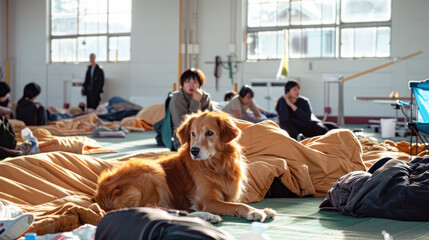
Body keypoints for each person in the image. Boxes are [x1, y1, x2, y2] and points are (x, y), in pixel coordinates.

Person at [169, 68, 214, 150]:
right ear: (182, 84)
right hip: (183, 139)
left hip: (204, 136)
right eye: (187, 82)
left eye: (195, 82)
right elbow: (182, 125)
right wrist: (196, 101)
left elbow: (210, 119)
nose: (191, 85)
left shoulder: (205, 97)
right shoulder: (177, 98)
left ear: (200, 85)